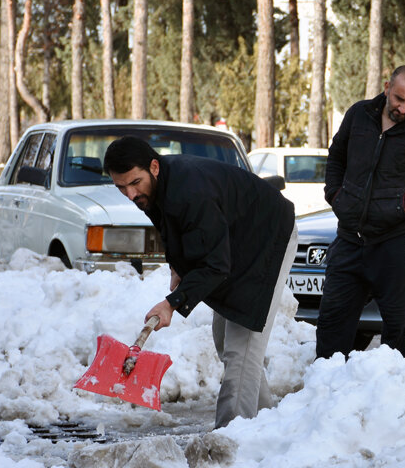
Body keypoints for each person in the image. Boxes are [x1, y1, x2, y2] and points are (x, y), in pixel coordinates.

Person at [103, 136, 297, 429]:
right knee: (225, 342)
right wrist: (177, 267)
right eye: (121, 187)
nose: (130, 194)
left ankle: (232, 440)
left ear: (154, 167)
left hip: (267, 241)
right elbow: (173, 227)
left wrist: (172, 303)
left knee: (241, 348)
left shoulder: (190, 191)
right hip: (235, 242)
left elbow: (216, 265)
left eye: (134, 183)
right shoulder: (155, 186)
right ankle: (267, 424)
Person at [316, 65, 405, 359]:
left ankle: (390, 393)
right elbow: (336, 156)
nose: (404, 108)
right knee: (331, 320)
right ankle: (325, 387)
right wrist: (336, 195)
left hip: (393, 242)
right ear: (387, 86)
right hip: (349, 238)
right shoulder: (359, 114)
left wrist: (404, 208)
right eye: (399, 99)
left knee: (395, 325)